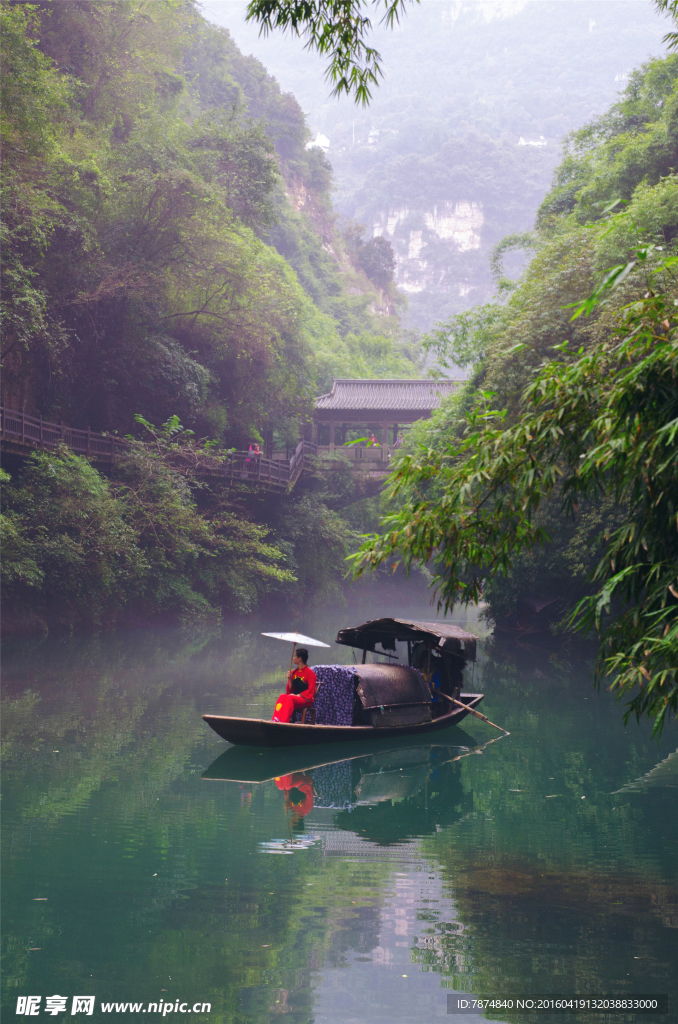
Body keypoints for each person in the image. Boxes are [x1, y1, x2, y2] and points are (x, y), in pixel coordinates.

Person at [271, 648, 317, 722]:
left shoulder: (310, 673)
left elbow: (311, 690)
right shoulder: (293, 672)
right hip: (294, 697)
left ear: (300, 659)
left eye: (295, 656)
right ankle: (276, 719)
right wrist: (289, 679)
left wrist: (299, 695)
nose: (293, 658)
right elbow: (289, 691)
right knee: (282, 696)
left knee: (289, 698)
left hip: (305, 699)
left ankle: (284, 721)